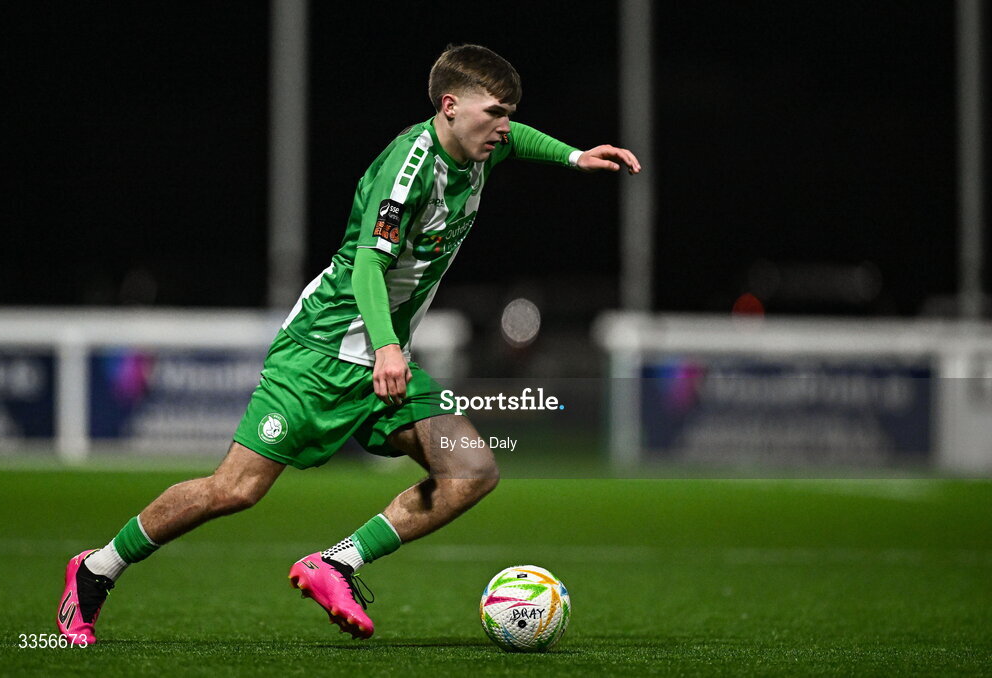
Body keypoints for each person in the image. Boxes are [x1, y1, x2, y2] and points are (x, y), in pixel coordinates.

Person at [56, 43, 641, 644]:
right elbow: (367, 266)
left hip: (384, 357)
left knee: (470, 470)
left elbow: (519, 141)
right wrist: (387, 347)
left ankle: (334, 563)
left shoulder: (479, 145)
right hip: (322, 351)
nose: (505, 127)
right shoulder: (410, 168)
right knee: (235, 489)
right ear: (449, 106)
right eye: (495, 112)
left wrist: (574, 157)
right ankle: (97, 569)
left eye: (510, 112)